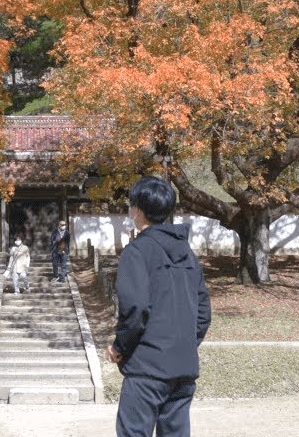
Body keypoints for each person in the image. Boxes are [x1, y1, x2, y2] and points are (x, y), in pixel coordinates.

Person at [105, 176, 211, 437]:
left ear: (137, 209)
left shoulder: (137, 251)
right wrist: (183, 344)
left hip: (146, 368)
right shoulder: (188, 255)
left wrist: (119, 347)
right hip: (183, 367)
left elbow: (136, 309)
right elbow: (203, 313)